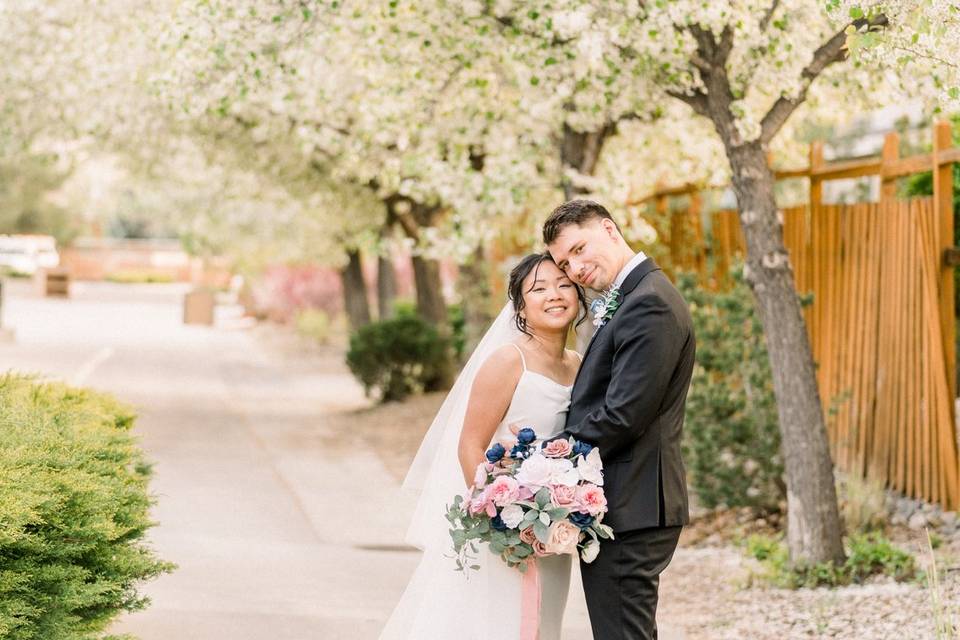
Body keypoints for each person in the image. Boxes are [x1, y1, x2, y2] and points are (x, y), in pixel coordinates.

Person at [379, 253, 588, 640]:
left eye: (563, 285)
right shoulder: (508, 361)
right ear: (520, 305)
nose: (554, 295)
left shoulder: (578, 364)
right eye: (538, 289)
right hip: (506, 527)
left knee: (545, 625)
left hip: (553, 523)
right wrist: (500, 517)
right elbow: (470, 444)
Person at [544, 199, 696, 640]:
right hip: (625, 502)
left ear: (609, 230)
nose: (574, 268)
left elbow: (623, 414)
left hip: (634, 504)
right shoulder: (630, 298)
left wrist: (546, 458)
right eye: (564, 262)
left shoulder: (650, 304)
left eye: (578, 249)